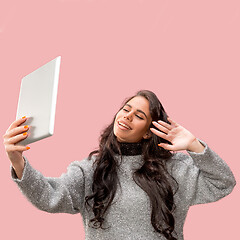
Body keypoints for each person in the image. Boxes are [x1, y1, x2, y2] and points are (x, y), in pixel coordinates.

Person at [3, 90, 236, 240]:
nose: (127, 116)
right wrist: (17, 160)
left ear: (148, 133)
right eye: (126, 110)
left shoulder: (174, 168)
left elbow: (223, 183)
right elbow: (49, 197)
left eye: (139, 116)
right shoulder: (90, 170)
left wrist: (194, 146)